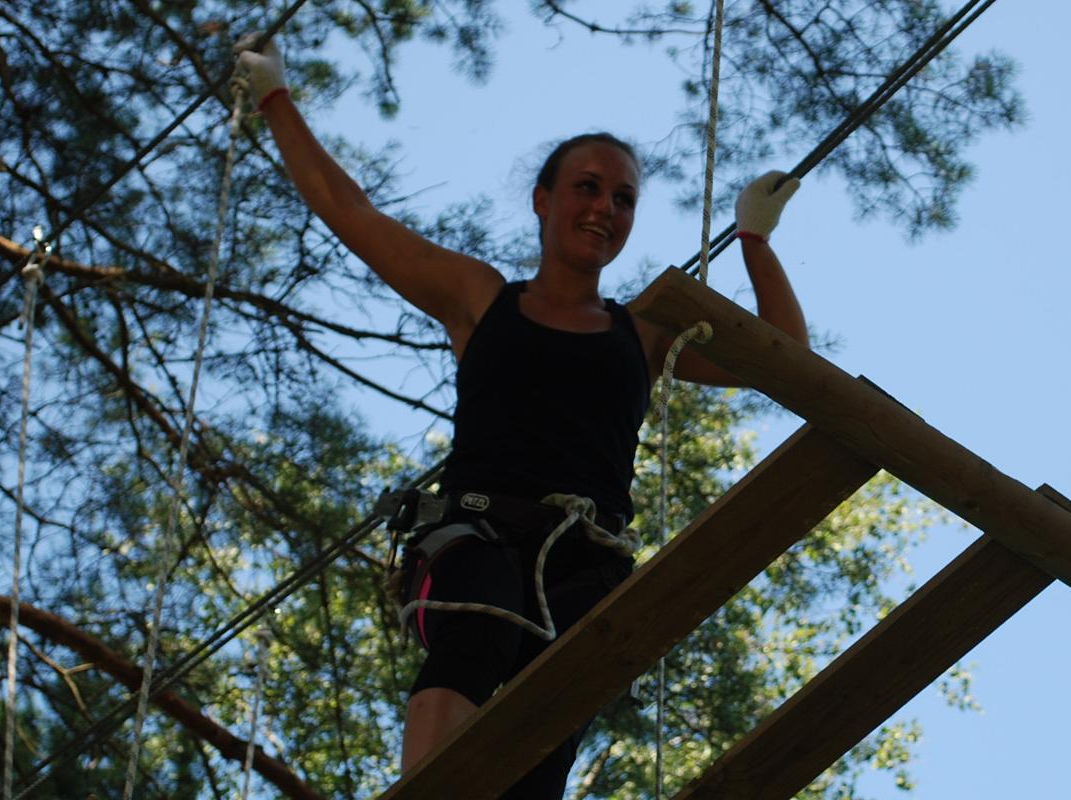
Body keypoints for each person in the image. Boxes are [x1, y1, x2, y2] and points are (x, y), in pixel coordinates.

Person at [236, 36, 809, 795]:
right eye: (588, 187)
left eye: (623, 198)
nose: (604, 207)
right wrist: (275, 98)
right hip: (476, 531)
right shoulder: (481, 299)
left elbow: (786, 361)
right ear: (544, 199)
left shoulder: (642, 333)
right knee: (481, 628)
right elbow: (351, 212)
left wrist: (754, 242)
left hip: (587, 562)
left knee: (552, 721)